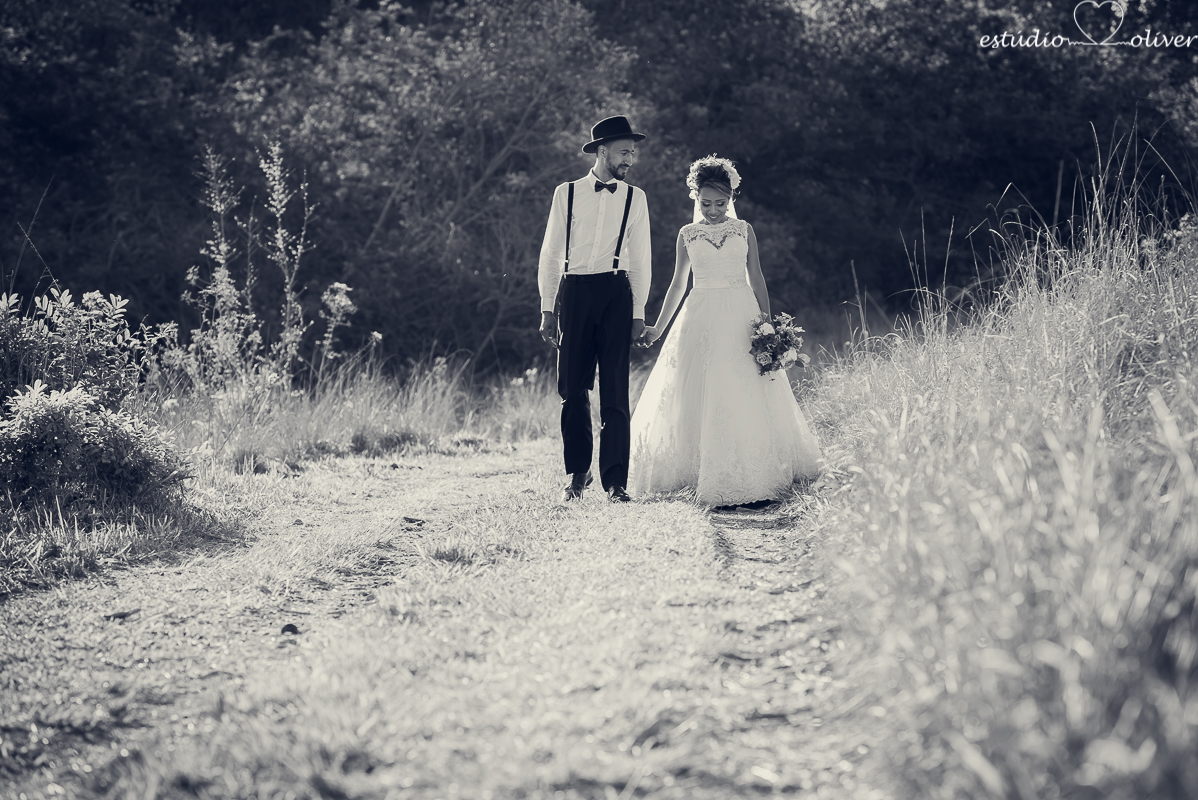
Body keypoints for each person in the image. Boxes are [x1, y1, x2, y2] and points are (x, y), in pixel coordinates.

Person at [628, 155, 822, 507]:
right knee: (704, 388)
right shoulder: (687, 234)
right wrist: (658, 326)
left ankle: (757, 468)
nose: (714, 210)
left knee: (743, 386)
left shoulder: (744, 229)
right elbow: (677, 285)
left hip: (740, 314)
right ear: (695, 198)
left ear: (731, 199)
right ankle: (701, 471)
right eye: (706, 203)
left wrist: (768, 323)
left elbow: (757, 276)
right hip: (700, 316)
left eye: (721, 203)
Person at [538, 116, 652, 503]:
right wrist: (547, 309)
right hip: (574, 293)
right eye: (624, 152)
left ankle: (616, 482)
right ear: (602, 151)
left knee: (616, 389)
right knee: (572, 388)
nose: (630, 159)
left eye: (632, 153)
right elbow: (551, 254)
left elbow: (641, 259)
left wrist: (638, 313)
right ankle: (577, 474)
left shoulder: (636, 198)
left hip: (616, 293)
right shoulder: (565, 193)